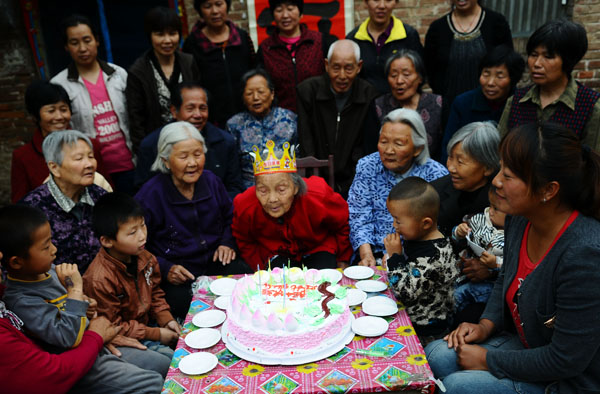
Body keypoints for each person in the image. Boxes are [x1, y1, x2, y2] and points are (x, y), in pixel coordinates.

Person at [425, 122, 600, 394]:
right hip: (530, 344)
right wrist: (485, 325)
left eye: (509, 175)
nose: (495, 181)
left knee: (458, 386)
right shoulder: (520, 220)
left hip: (572, 380)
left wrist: (487, 359)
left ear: (548, 191)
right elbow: (506, 278)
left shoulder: (584, 254)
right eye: (501, 169)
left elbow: (565, 359)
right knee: (437, 354)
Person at [0, 205, 165, 393]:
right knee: (152, 383)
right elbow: (67, 337)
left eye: (51, 241)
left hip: (96, 343)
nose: (54, 249)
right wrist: (76, 291)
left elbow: (75, 312)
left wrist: (86, 305)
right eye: (46, 247)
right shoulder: (21, 300)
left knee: (163, 364)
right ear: (16, 262)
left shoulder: (50, 271)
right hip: (78, 361)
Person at [135, 122, 252, 319]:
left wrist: (226, 242)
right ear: (165, 160)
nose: (192, 163)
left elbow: (230, 216)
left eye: (198, 154)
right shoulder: (150, 196)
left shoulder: (211, 181)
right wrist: (165, 268)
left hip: (216, 262)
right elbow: (137, 246)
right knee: (200, 313)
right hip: (179, 274)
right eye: (183, 156)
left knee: (247, 290)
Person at [83, 192, 181, 378]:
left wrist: (166, 319)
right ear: (107, 241)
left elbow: (155, 292)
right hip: (124, 339)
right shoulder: (100, 279)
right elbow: (112, 326)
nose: (142, 236)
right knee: (170, 363)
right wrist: (156, 334)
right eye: (132, 232)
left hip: (147, 324)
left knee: (184, 346)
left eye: (142, 225)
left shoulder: (145, 257)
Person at [348, 108, 448, 267]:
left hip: (418, 258)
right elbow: (359, 214)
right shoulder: (367, 166)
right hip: (372, 254)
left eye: (398, 143)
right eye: (383, 141)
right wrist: (366, 254)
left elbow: (436, 227)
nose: (388, 150)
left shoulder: (436, 174)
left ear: (417, 148)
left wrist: (396, 255)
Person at [232, 140, 352, 270]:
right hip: (275, 253)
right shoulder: (245, 204)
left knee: (323, 280)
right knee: (279, 283)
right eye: (263, 190)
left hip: (318, 246)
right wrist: (259, 268)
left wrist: (343, 258)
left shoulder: (319, 195)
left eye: (281, 189)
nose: (272, 199)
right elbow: (244, 239)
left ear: (295, 187)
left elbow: (343, 224)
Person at [51, 14, 134, 193]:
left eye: (87, 40)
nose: (82, 48)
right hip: (90, 170)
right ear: (66, 47)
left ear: (97, 41)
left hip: (128, 164)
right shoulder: (60, 84)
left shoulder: (119, 75)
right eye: (74, 42)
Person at [498, 19, 600, 152]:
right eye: (533, 55)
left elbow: (593, 164)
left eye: (548, 56)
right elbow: (500, 152)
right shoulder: (516, 101)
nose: (537, 64)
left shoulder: (590, 106)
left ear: (568, 60)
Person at [296, 39, 380, 197]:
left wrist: (353, 185)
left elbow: (364, 147)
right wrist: (316, 183)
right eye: (336, 68)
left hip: (354, 181)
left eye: (349, 68)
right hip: (316, 180)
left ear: (359, 67)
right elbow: (307, 142)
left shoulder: (369, 95)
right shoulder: (308, 91)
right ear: (326, 65)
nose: (342, 76)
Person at [384, 177, 460, 343]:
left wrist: (394, 257)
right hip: (412, 316)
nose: (394, 225)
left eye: (398, 220)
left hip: (425, 330)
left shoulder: (433, 256)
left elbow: (405, 292)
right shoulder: (420, 236)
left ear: (425, 223)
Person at [135, 82, 243, 197]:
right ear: (174, 111)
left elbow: (234, 188)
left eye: (203, 108)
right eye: (190, 108)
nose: (197, 115)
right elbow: (144, 192)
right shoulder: (152, 144)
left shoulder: (225, 141)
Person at [21, 130, 107, 273]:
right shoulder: (33, 209)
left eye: (91, 156)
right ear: (54, 168)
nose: (89, 164)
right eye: (79, 159)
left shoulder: (100, 197)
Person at [11, 80, 111, 203]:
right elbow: (20, 203)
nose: (59, 117)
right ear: (35, 115)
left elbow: (107, 190)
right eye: (51, 111)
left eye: (63, 109)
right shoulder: (23, 156)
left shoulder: (90, 146)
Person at [127, 7, 200, 153]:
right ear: (150, 36)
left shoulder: (188, 62)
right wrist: (145, 152)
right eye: (160, 34)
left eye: (172, 34)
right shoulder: (138, 71)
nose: (167, 40)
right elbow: (136, 121)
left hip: (191, 141)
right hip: (158, 147)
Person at [424, 0, 513, 120]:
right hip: (450, 110)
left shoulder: (496, 23)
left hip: (491, 108)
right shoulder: (437, 29)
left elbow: (509, 65)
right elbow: (431, 70)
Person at [442, 45, 525, 162]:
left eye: (499, 76)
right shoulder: (463, 103)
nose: (490, 82)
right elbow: (448, 147)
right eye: (486, 74)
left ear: (513, 79)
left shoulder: (521, 104)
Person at [183, 0, 256, 127]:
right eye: (207, 6)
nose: (215, 11)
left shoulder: (242, 38)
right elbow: (190, 84)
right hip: (211, 122)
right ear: (200, 10)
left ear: (227, 5)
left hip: (248, 118)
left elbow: (254, 73)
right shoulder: (192, 44)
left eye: (219, 4)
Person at [226, 69, 297, 189]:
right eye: (249, 93)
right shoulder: (234, 124)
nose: (255, 97)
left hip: (285, 186)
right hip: (249, 189)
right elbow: (233, 168)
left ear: (272, 93)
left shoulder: (289, 119)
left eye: (261, 92)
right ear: (243, 97)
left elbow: (299, 157)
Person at [258, 0, 333, 112]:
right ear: (273, 15)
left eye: (290, 8)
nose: (285, 15)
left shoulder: (319, 41)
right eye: (279, 10)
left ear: (301, 13)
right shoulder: (266, 48)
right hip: (282, 122)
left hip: (317, 117)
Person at [432, 122, 500, 238]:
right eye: (450, 157)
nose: (451, 168)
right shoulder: (435, 193)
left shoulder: (501, 201)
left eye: (460, 162)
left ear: (488, 168)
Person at [375, 50, 443, 159]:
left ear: (420, 77)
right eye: (393, 75)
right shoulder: (379, 105)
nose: (399, 81)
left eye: (406, 74)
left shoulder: (438, 104)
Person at [347, 0, 423, 95]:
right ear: (366, 2)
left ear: (395, 2)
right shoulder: (354, 38)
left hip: (400, 104)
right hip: (365, 105)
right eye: (376, 0)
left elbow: (420, 74)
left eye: (388, 0)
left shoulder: (408, 35)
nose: (382, 6)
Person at [452, 187, 506, 315]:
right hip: (461, 271)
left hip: (490, 283)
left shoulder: (512, 236)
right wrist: (458, 232)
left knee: (459, 296)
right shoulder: (480, 219)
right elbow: (458, 236)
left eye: (496, 209)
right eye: (490, 206)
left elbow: (512, 263)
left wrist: (495, 263)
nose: (491, 212)